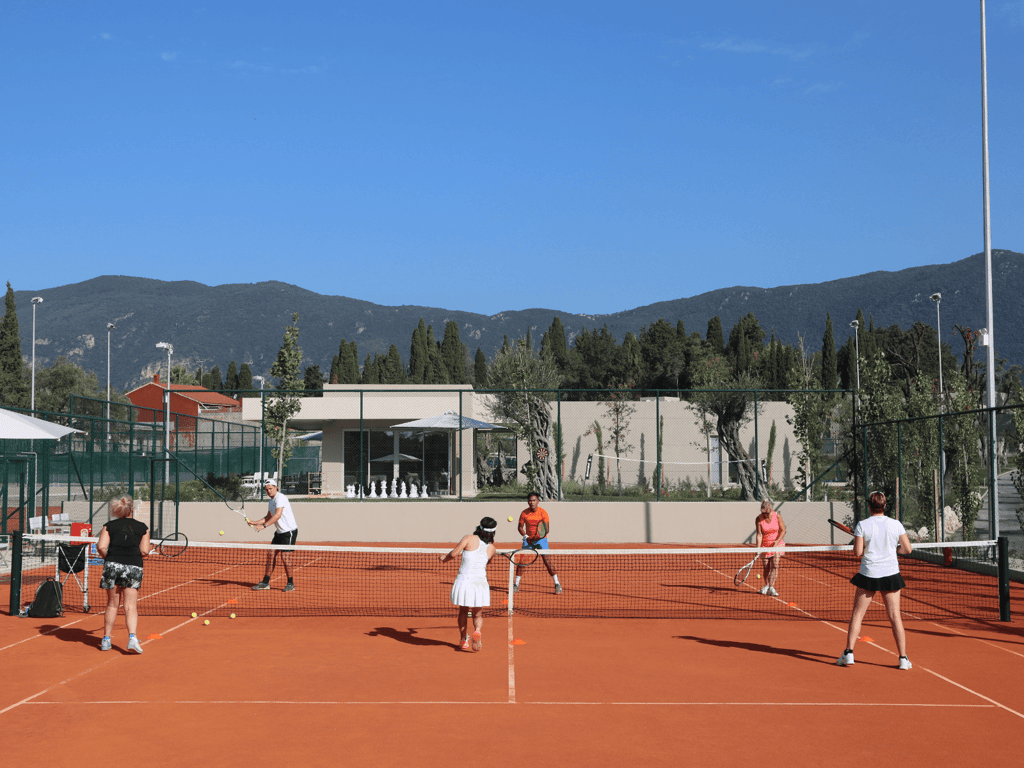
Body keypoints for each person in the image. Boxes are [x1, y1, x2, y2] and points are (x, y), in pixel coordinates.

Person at [836, 491, 913, 670]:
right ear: (884, 506)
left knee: (857, 615)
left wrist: (864, 545)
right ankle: (903, 658)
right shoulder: (896, 524)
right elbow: (907, 549)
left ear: (869, 506)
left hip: (869, 573)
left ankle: (849, 653)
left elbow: (857, 552)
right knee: (895, 617)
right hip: (890, 574)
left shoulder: (863, 525)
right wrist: (894, 550)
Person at [97, 496, 154, 653]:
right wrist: (141, 554)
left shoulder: (109, 526)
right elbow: (144, 551)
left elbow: (101, 547)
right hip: (133, 567)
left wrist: (110, 559)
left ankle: (106, 640)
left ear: (117, 510)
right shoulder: (142, 527)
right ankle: (132, 639)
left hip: (112, 566)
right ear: (132, 510)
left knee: (112, 604)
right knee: (130, 606)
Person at [440, 517, 497, 651]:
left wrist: (443, 559)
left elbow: (453, 554)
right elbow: (486, 563)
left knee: (463, 611)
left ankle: (463, 639)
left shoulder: (469, 538)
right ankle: (477, 630)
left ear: (479, 527)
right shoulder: (492, 549)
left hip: (464, 582)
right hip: (480, 583)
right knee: (477, 614)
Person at [251, 477, 298, 591]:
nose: (268, 491)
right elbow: (268, 517)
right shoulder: (271, 501)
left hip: (289, 532)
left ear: (276, 488)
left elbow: (277, 515)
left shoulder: (280, 498)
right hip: (279, 533)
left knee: (285, 557)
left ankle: (290, 583)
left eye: (270, 489)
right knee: (271, 554)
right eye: (266, 489)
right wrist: (254, 522)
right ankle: (265, 582)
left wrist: (264, 526)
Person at [514, 491, 561, 594]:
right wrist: (526, 536)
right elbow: (520, 527)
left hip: (541, 540)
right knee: (522, 562)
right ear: (528, 502)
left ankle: (557, 583)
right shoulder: (524, 513)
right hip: (528, 541)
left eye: (534, 500)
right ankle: (516, 584)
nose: (532, 502)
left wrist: (536, 537)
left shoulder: (543, 513)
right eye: (530, 501)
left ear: (538, 501)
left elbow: (546, 529)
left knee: (547, 561)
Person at [754, 499, 786, 596]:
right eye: (764, 513)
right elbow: (759, 535)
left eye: (767, 513)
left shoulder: (777, 516)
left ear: (770, 510)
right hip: (765, 545)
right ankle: (767, 585)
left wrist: (777, 541)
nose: (765, 515)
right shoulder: (758, 519)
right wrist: (758, 548)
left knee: (775, 565)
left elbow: (783, 530)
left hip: (777, 544)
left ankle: (771, 587)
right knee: (766, 566)